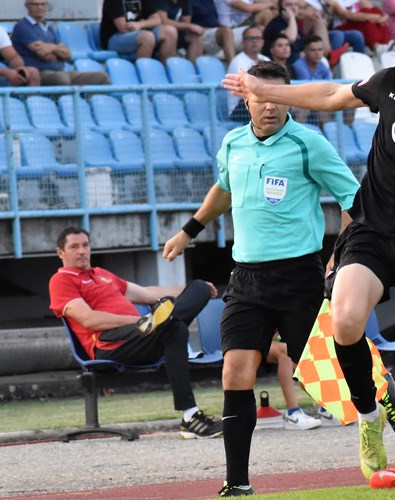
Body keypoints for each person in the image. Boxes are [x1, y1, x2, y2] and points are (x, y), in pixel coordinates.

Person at [222, 13, 395, 487]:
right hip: (371, 231)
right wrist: (266, 91)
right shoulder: (393, 83)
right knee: (346, 320)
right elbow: (330, 94)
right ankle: (369, 417)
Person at [163, 60, 363, 497]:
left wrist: (339, 258)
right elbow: (223, 189)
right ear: (246, 98)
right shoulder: (233, 144)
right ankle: (237, 482)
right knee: (235, 372)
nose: (269, 105)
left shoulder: (309, 144)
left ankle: (384, 411)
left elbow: (355, 199)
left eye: (277, 97)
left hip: (299, 278)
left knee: (333, 375)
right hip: (246, 279)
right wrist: (188, 231)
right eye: (261, 97)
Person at [49, 226, 222, 440]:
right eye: (74, 247)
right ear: (61, 253)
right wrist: (140, 322)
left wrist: (192, 290)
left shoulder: (102, 275)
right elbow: (89, 319)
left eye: (85, 245)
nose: (82, 251)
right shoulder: (61, 280)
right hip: (110, 344)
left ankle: (190, 417)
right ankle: (190, 417)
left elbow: (148, 294)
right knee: (173, 328)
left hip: (141, 337)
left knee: (196, 290)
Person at [11, 0, 110, 87]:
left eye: (43, 4)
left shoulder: (49, 28)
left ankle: (87, 105)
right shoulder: (22, 27)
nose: (40, 7)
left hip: (61, 72)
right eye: (35, 4)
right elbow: (43, 54)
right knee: (61, 79)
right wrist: (57, 51)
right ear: (27, 6)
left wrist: (52, 49)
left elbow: (67, 54)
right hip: (40, 74)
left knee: (102, 78)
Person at [254, 334, 322, 430]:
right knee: (286, 350)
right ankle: (293, 412)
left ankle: (327, 406)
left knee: (311, 344)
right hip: (240, 341)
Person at [0, 0, 40, 87]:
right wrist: (7, 73)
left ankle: (31, 100)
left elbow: (12, 56)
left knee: (33, 72)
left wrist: (19, 68)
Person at [101, 0, 179, 62]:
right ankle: (144, 74)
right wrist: (143, 27)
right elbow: (123, 28)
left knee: (170, 32)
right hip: (114, 38)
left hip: (139, 31)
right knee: (147, 38)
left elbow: (157, 19)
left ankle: (165, 74)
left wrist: (140, 24)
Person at [227, 25, 269, 120]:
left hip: (262, 104)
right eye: (250, 38)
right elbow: (248, 90)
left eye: (258, 38)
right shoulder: (238, 62)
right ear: (243, 42)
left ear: (262, 42)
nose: (255, 41)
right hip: (240, 110)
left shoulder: (266, 59)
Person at [327, 0, 394, 55]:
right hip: (341, 26)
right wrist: (372, 17)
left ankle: (387, 43)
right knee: (365, 17)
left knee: (372, 11)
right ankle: (377, 47)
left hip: (358, 25)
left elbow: (374, 10)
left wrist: (382, 17)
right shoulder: (333, 1)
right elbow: (346, 15)